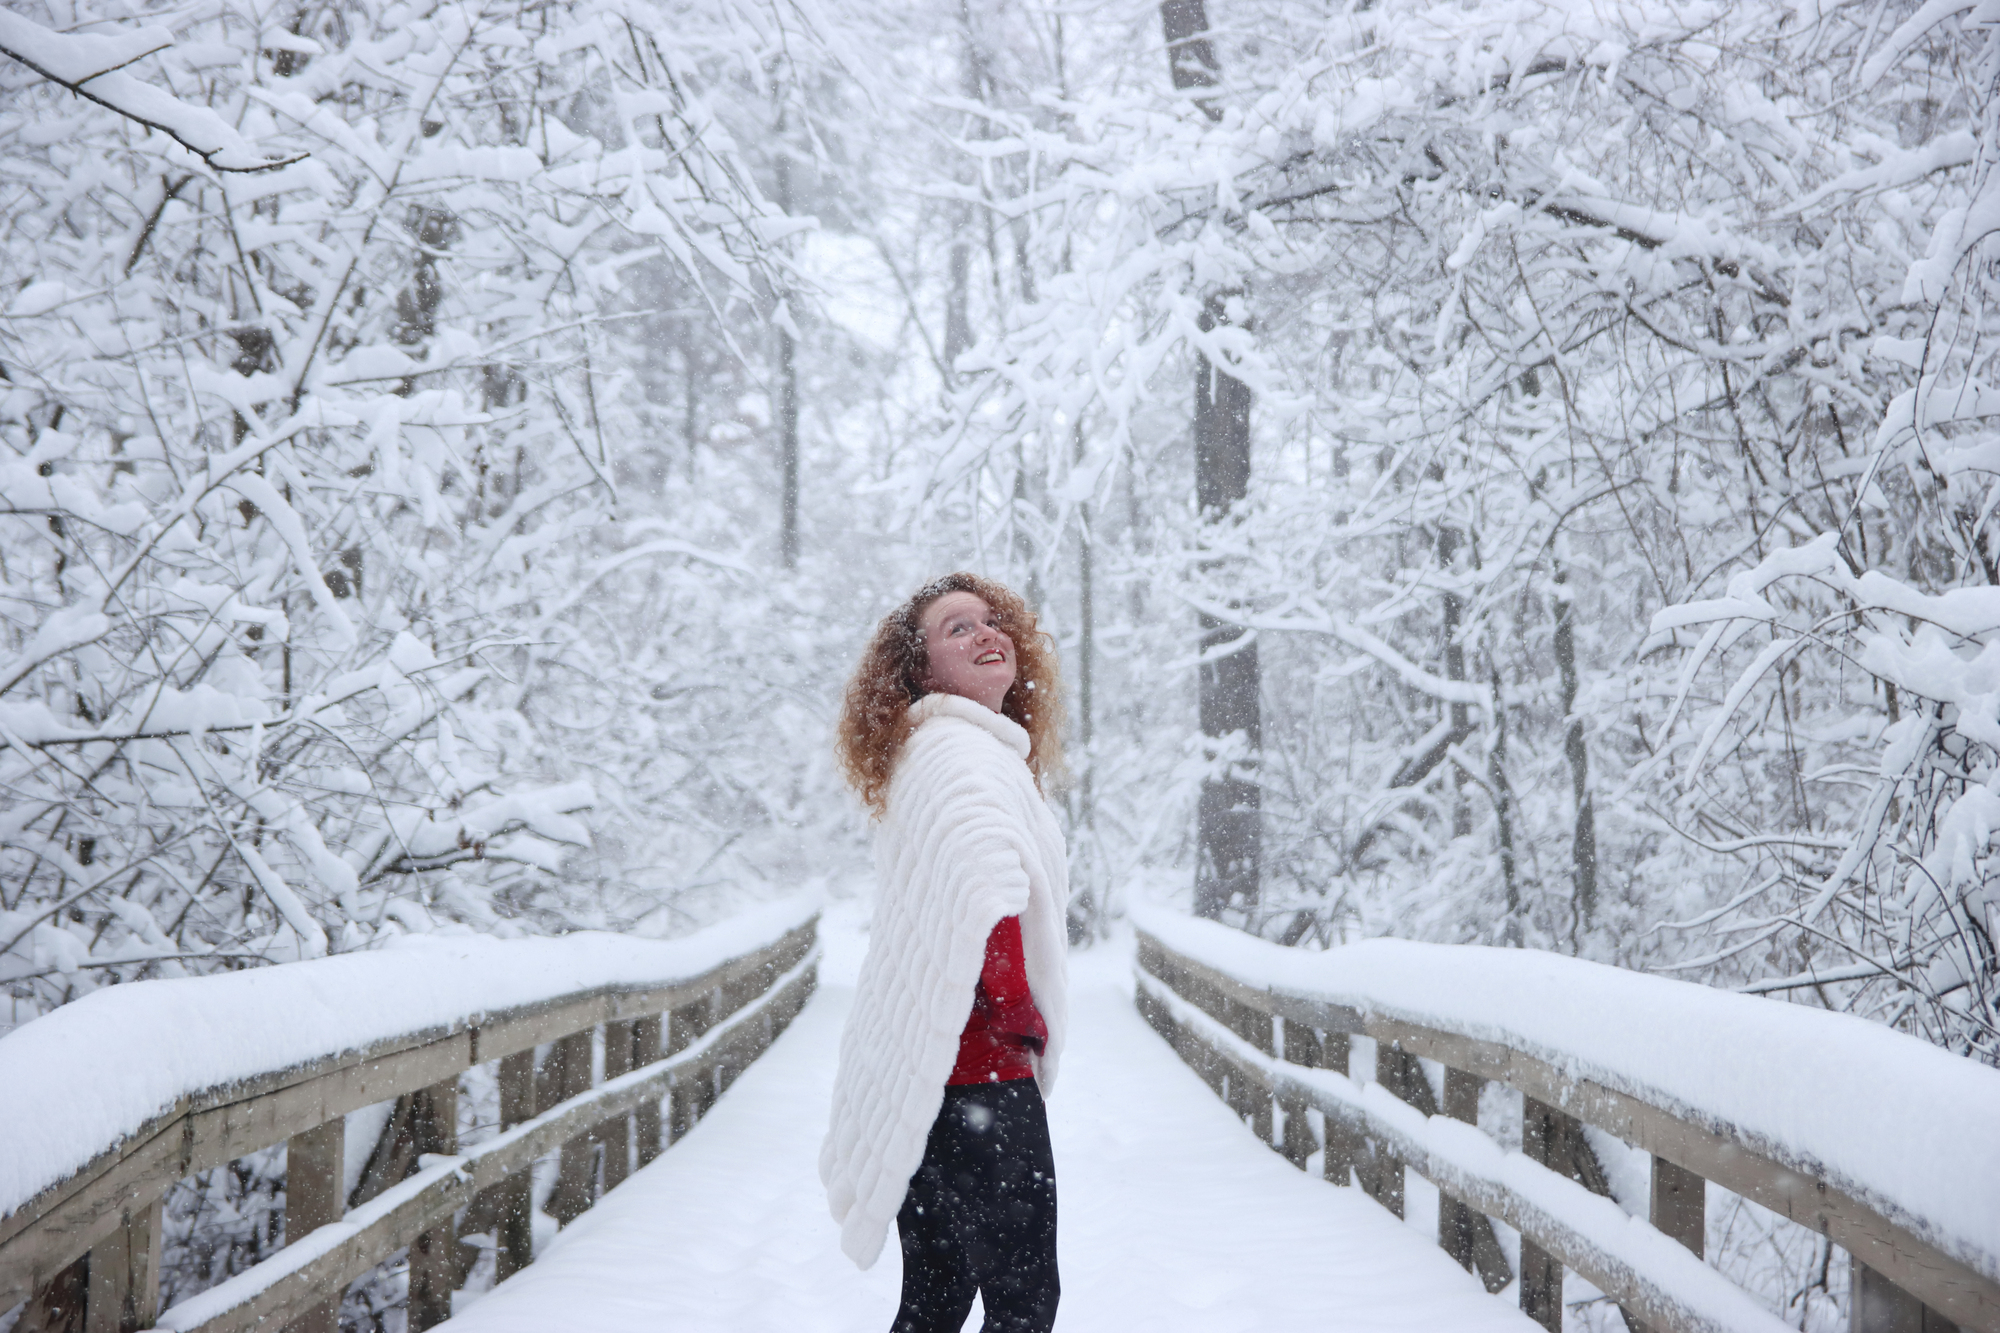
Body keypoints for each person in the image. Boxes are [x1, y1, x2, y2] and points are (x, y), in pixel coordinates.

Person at [821, 573, 1070, 1333]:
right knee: (1024, 1304)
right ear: (922, 670)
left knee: (934, 1304)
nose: (987, 633)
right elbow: (983, 884)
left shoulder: (936, 747)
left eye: (994, 621)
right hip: (978, 1076)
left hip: (932, 1076)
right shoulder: (961, 753)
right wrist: (1016, 1012)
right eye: (957, 628)